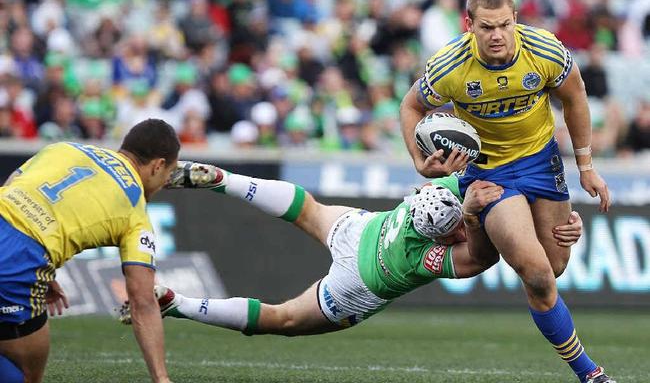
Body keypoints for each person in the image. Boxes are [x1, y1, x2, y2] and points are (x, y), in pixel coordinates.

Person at [398, 0, 612, 383]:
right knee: (537, 274)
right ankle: (590, 373)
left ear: (515, 20)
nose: (497, 34)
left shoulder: (545, 50)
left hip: (541, 161)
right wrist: (418, 161)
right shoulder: (449, 66)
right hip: (488, 173)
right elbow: (411, 105)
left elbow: (576, 97)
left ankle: (478, 231)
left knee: (555, 265)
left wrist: (586, 167)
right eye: (487, 27)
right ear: (470, 26)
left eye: (504, 25)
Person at [119, 162, 582, 341]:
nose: (462, 235)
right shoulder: (422, 259)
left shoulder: (430, 197)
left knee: (305, 207)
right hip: (359, 281)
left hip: (362, 229)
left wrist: (471, 207)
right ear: (443, 238)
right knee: (283, 320)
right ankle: (176, 304)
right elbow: (484, 257)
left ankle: (225, 181)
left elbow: (439, 183)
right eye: (458, 231)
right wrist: (478, 216)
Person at [0, 119, 178, 383]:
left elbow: (11, 185)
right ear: (158, 165)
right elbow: (142, 301)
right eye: (168, 174)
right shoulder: (135, 211)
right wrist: (161, 378)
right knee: (26, 373)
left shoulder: (63, 148)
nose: (165, 183)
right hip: (19, 263)